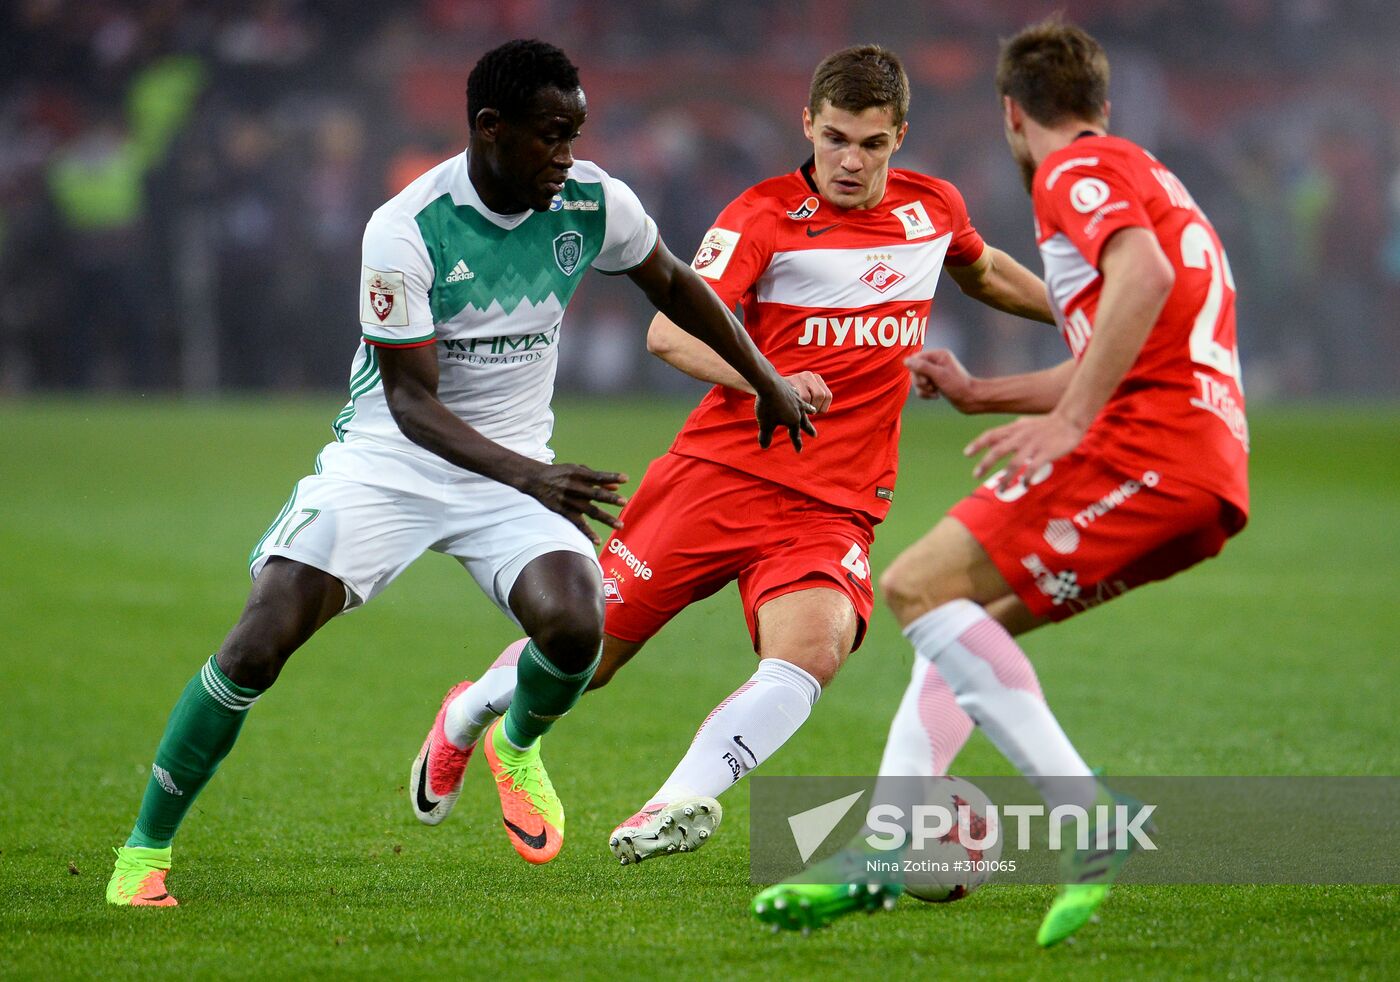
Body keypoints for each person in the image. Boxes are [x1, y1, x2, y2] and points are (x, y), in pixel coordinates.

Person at [105, 38, 813, 907]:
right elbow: (411, 404)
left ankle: (512, 743)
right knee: (260, 637)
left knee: (576, 629)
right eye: (551, 136)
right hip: (390, 463)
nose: (568, 156)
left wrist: (766, 377)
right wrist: (530, 477)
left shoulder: (593, 202)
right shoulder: (405, 228)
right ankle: (142, 854)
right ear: (490, 128)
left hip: (512, 476)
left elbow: (675, 284)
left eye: (576, 134)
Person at [412, 45, 1053, 866]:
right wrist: (769, 379)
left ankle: (677, 801)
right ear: (807, 127)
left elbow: (987, 270)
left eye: (871, 144)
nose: (850, 161)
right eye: (833, 140)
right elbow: (667, 332)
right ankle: (468, 717)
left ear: (900, 135)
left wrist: (1085, 319)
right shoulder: (763, 217)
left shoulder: (933, 209)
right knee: (587, 657)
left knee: (812, 651)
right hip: (718, 478)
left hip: (834, 503)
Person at [751, 17, 1250, 947]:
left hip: (1148, 450)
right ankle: (887, 849)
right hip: (1205, 466)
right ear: (1100, 101)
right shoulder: (1157, 181)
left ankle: (1085, 818)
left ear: (1013, 115)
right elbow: (1137, 339)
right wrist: (985, 396)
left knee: (911, 584)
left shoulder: (1076, 173)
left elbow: (1136, 282)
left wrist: (1066, 422)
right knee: (954, 628)